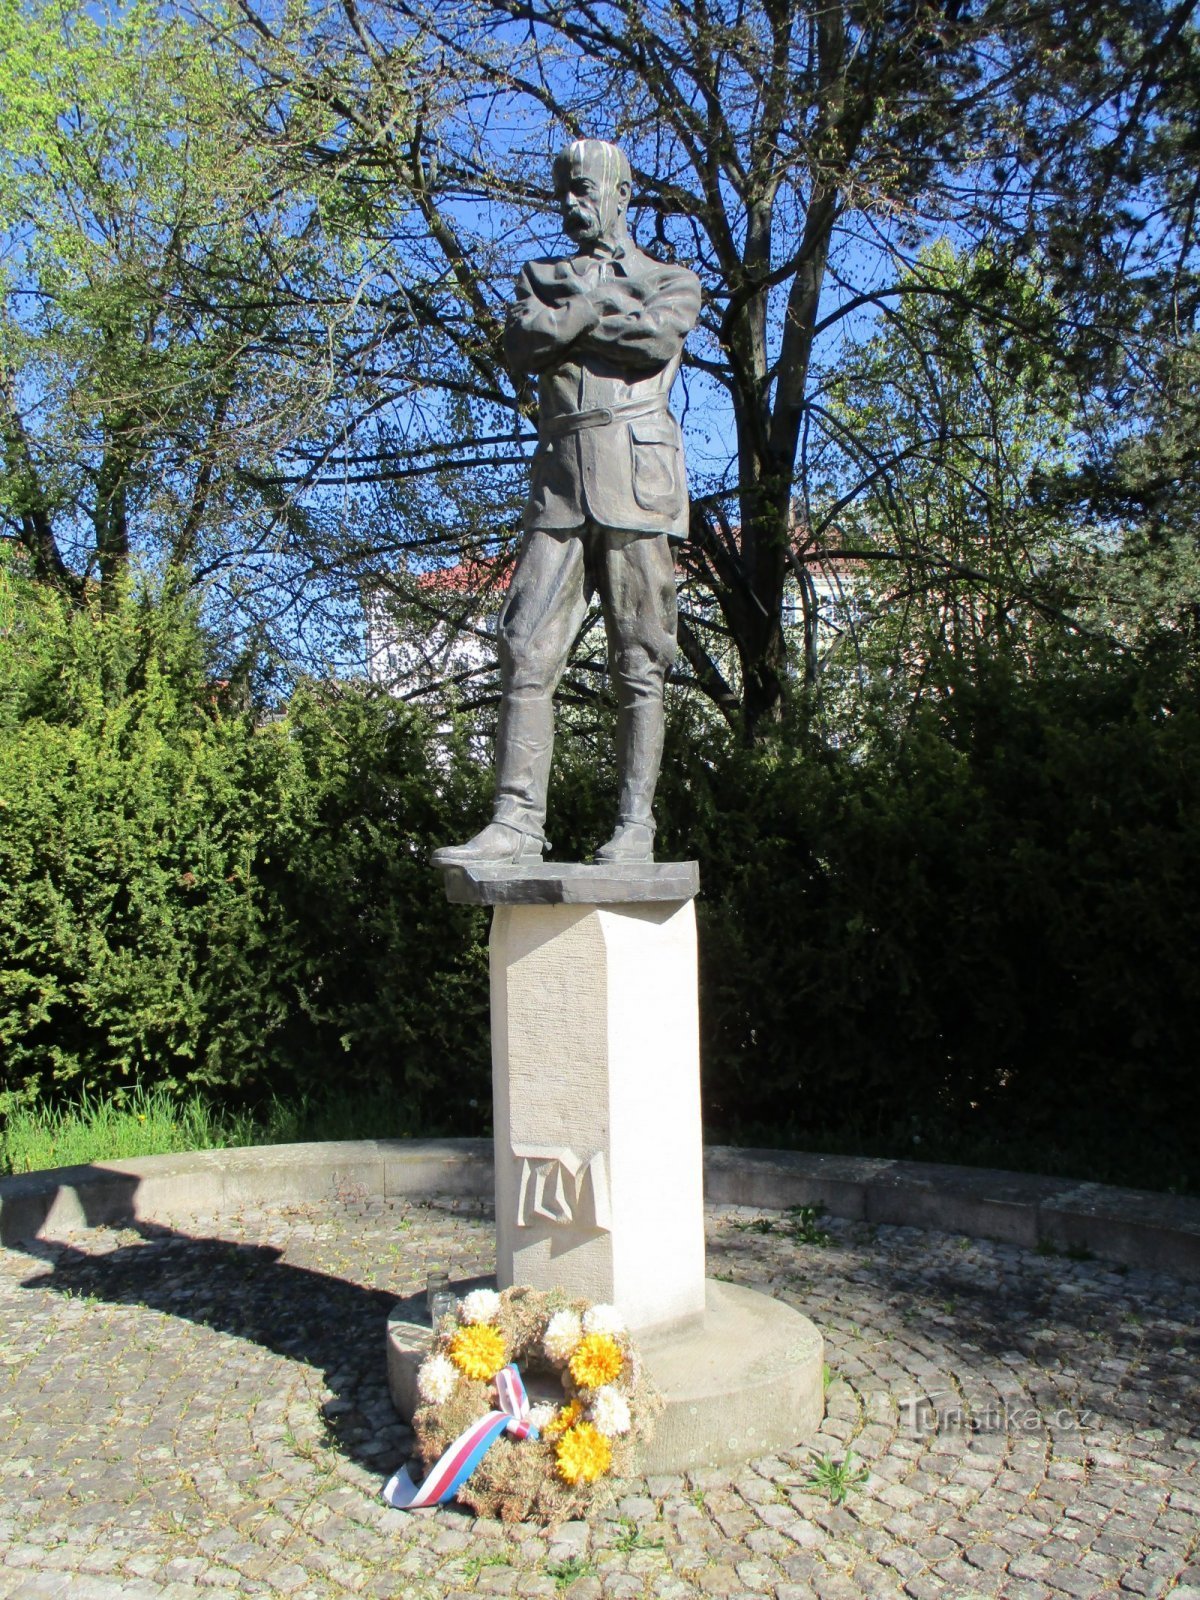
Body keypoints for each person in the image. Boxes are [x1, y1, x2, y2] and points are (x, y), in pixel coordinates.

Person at [432, 138, 701, 867]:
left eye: (585, 190)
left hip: (637, 479)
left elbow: (653, 340)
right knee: (524, 644)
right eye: (564, 193)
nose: (572, 206)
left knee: (641, 654)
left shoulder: (671, 277)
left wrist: (571, 320)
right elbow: (522, 343)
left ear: (623, 192)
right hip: (559, 481)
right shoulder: (540, 276)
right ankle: (517, 823)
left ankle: (635, 828)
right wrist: (597, 309)